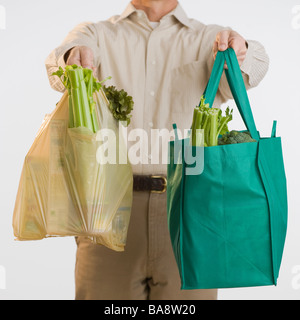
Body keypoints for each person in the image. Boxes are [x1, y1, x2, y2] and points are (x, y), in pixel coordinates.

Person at [46, 0, 269, 300]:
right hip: (107, 210)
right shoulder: (96, 34)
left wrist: (241, 50)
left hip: (190, 211)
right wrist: (73, 57)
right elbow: (60, 60)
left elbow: (254, 67)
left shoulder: (209, 39)